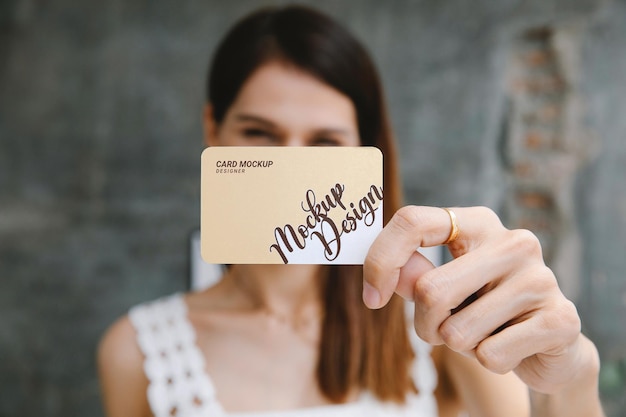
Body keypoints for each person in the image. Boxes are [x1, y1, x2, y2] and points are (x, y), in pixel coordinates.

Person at [97, 5, 604, 417]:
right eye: (259, 133)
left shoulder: (442, 328)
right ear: (214, 131)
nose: (290, 167)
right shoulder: (136, 352)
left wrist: (574, 371)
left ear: (366, 150)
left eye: (325, 142)